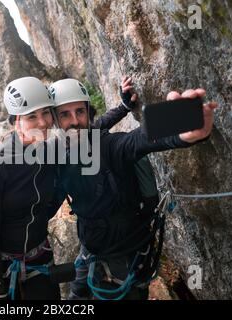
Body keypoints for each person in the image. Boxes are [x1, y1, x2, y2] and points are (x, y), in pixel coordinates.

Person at [49, 79, 217, 300]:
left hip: (122, 254)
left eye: (80, 111)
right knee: (77, 294)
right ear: (54, 120)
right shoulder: (63, 149)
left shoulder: (108, 147)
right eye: (64, 114)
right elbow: (103, 122)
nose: (75, 121)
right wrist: (124, 107)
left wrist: (181, 132)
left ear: (87, 113)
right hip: (89, 245)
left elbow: (137, 140)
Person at [0, 76, 133, 300]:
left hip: (39, 256)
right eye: (31, 117)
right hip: (3, 264)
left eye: (46, 113)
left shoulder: (51, 150)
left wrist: (123, 107)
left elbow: (86, 130)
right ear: (16, 121)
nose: (42, 123)